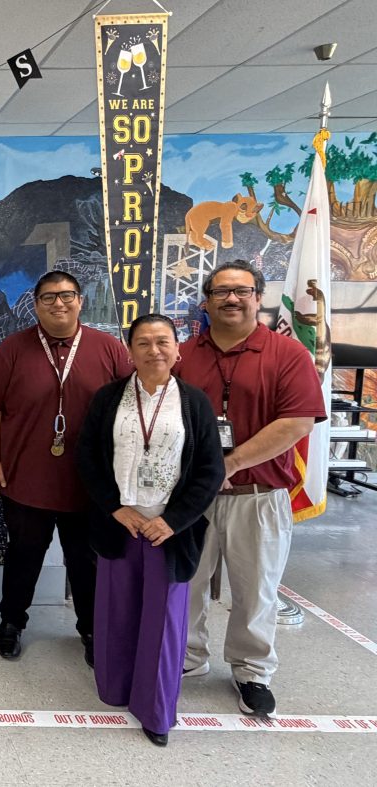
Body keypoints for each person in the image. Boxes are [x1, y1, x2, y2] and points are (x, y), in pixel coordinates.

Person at [176, 260, 326, 716]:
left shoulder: (287, 354)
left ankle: (251, 671)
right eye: (221, 291)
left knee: (256, 589)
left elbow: (298, 422)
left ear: (258, 298)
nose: (231, 299)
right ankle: (186, 658)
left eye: (242, 290)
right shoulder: (183, 354)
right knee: (185, 584)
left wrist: (233, 462)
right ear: (206, 301)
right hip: (191, 498)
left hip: (258, 496)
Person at [77, 314, 225, 746]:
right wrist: (115, 508)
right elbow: (88, 458)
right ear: (129, 352)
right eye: (143, 343)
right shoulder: (108, 399)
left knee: (164, 622)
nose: (154, 351)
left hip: (168, 530)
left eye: (163, 342)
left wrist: (173, 520)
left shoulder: (194, 403)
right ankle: (116, 689)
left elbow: (209, 470)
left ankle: (156, 710)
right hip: (121, 523)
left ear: (178, 349)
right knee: (116, 612)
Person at [0, 271, 130, 665]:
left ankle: (92, 630)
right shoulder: (12, 348)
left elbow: (132, 404)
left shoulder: (108, 348)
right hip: (25, 477)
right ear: (36, 304)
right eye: (48, 298)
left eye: (66, 296)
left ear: (79, 300)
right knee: (24, 555)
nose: (58, 304)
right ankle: (11, 622)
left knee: (86, 561)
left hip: (89, 483)